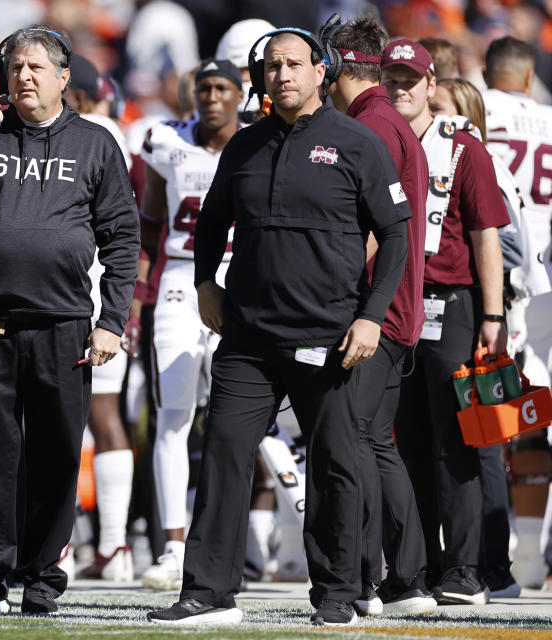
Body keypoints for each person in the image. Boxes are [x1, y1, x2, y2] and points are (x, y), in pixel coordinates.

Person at [148, 28, 411, 627]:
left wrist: (372, 316)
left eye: (294, 64)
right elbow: (212, 221)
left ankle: (339, 594)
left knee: (335, 463)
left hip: (330, 333)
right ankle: (208, 592)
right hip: (248, 335)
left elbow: (396, 233)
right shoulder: (243, 145)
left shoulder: (357, 141)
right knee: (222, 454)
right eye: (271, 66)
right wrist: (207, 283)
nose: (283, 74)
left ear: (323, 70)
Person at [0, 26, 139, 615]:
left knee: (53, 453)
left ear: (63, 77)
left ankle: (43, 575)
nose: (23, 76)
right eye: (14, 67)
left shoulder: (96, 142)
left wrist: (111, 321)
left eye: (35, 67)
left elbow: (122, 238)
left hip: (64, 322)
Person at [382, 38, 509, 606]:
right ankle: (418, 568)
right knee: (403, 442)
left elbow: (487, 233)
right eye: (391, 78)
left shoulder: (463, 147)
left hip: (450, 303)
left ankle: (464, 569)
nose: (401, 87)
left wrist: (492, 312)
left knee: (457, 440)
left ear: (432, 85)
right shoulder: (377, 141)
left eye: (411, 78)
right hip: (391, 307)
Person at [322, 16, 435, 616]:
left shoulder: (368, 124)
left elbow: (371, 229)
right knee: (376, 443)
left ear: (336, 63)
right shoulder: (385, 119)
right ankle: (406, 578)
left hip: (374, 310)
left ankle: (371, 577)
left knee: (355, 442)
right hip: (394, 308)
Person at [136, 58, 242, 592]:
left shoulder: (257, 141)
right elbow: (150, 219)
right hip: (180, 277)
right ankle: (174, 544)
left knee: (245, 414)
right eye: (205, 87)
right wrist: (137, 291)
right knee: (173, 411)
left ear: (241, 94)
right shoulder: (165, 140)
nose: (213, 96)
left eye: (223, 87)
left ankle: (249, 538)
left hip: (241, 278)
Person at [432, 75, 528, 599]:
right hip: (460, 313)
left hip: (485, 316)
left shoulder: (484, 163)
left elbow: (513, 249)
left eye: (445, 110)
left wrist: (473, 270)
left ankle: (496, 565)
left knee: (484, 439)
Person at [482, 37, 552, 591]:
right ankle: (529, 552)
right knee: (536, 409)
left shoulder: (473, 108)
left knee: (484, 409)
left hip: (495, 268)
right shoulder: (548, 119)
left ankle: (492, 543)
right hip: (545, 271)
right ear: (529, 78)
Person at [63, 53, 136, 582]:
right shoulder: (114, 133)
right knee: (105, 417)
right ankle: (114, 545)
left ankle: (63, 541)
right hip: (106, 291)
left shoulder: (92, 133)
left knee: (59, 422)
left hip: (78, 290)